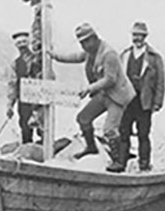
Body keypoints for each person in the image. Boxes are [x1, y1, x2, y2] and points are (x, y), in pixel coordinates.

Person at [50, 23, 135, 172]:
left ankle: (119, 162)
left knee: (109, 129)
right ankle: (91, 147)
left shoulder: (109, 54)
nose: (84, 46)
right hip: (104, 94)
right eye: (81, 43)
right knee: (83, 118)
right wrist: (55, 56)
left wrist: (89, 88)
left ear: (95, 38)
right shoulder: (90, 52)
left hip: (118, 97)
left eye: (87, 41)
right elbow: (75, 57)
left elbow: (110, 80)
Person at [118, 21, 165, 171]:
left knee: (143, 134)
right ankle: (121, 163)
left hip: (144, 102)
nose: (137, 38)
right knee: (123, 131)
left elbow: (160, 82)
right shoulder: (124, 55)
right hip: (127, 101)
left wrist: (157, 103)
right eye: (134, 35)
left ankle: (144, 164)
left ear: (145, 37)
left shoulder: (154, 57)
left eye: (140, 35)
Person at [6, 31, 40, 144]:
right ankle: (27, 150)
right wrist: (10, 105)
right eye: (19, 44)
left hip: (40, 100)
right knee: (25, 128)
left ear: (28, 43)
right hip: (24, 101)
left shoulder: (39, 59)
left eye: (24, 43)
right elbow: (12, 84)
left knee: (42, 127)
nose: (22, 46)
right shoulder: (15, 64)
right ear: (16, 46)